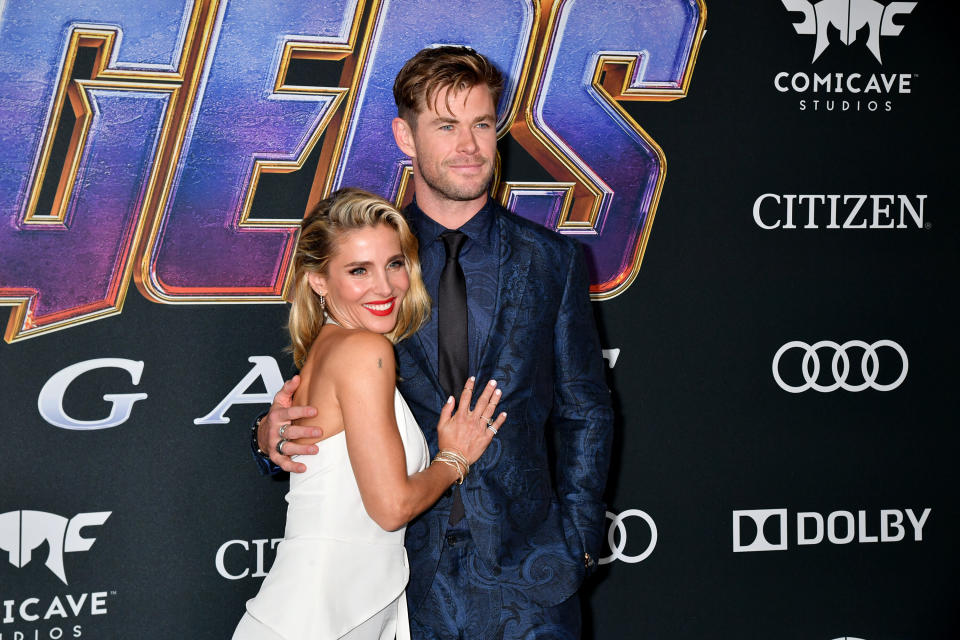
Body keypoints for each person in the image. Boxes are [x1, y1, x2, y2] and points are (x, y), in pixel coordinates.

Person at [254, 46, 614, 639]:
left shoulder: (552, 261)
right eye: (446, 126)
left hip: (532, 578)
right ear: (405, 135)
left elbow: (585, 410)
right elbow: (322, 402)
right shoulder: (368, 264)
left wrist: (576, 545)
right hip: (403, 580)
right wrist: (269, 436)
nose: (469, 147)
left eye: (482, 124)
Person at [235, 188, 507, 639]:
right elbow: (391, 507)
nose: (384, 287)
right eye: (359, 270)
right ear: (318, 280)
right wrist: (453, 458)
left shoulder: (330, 346)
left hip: (335, 607)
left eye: (394, 264)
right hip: (321, 615)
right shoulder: (365, 349)